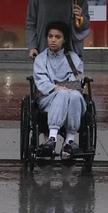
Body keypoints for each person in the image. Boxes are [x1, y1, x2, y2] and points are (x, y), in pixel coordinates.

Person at [33, 21, 86, 159]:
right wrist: (56, 88)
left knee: (74, 95)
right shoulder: (41, 59)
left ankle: (69, 140)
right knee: (62, 93)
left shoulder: (73, 58)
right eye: (50, 36)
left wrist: (62, 88)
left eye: (57, 37)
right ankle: (52, 138)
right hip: (47, 98)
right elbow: (41, 81)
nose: (53, 40)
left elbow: (75, 81)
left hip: (71, 96)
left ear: (65, 39)